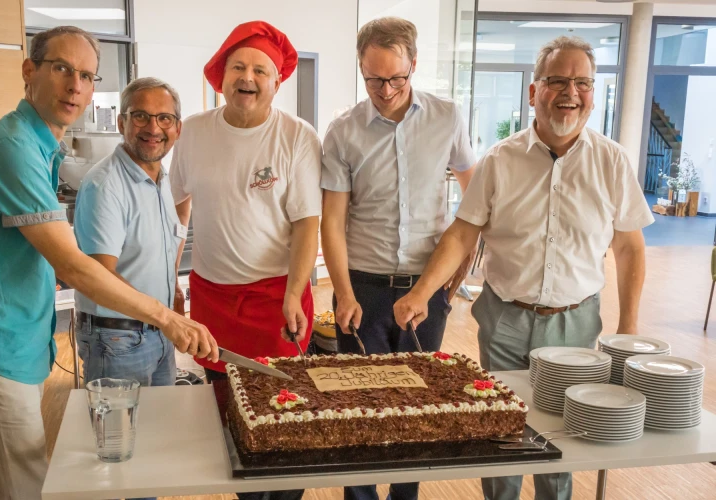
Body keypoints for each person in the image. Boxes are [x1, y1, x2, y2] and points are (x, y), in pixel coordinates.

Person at [0, 26, 217, 500]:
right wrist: (165, 316)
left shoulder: (42, 150)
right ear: (29, 71)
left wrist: (171, 299)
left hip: (14, 345)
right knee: (22, 487)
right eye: (62, 69)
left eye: (86, 75)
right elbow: (78, 267)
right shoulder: (10, 147)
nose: (75, 86)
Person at [393, 36, 654, 500]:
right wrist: (422, 293)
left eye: (582, 82)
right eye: (557, 80)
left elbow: (630, 249)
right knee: (503, 432)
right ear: (534, 92)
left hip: (575, 324)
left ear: (594, 93)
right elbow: (461, 234)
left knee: (563, 438)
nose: (570, 92)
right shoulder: (500, 159)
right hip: (504, 320)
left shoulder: (612, 161)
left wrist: (628, 328)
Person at [320, 17, 476, 500]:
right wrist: (342, 292)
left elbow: (473, 210)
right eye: (373, 79)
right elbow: (331, 222)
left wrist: (449, 286)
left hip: (425, 288)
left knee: (417, 407)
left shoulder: (448, 117)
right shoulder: (343, 131)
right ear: (361, 69)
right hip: (362, 288)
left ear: (414, 65)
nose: (385, 90)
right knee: (360, 408)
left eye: (396, 78)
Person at [169, 20, 322, 500]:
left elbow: (307, 224)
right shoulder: (193, 132)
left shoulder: (297, 136)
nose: (248, 77)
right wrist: (169, 277)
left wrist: (295, 292)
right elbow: (177, 210)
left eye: (261, 69)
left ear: (277, 82)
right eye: (239, 66)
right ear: (222, 74)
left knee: (285, 409)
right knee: (228, 412)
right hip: (212, 296)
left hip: (278, 296)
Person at [73, 76, 186, 389]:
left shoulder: (160, 178)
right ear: (122, 122)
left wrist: (172, 287)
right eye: (140, 116)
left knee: (159, 427)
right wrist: (168, 319)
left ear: (177, 128)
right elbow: (100, 277)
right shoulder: (105, 185)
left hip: (157, 331)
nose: (153, 128)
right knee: (121, 437)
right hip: (119, 340)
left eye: (164, 118)